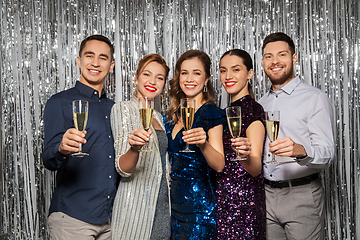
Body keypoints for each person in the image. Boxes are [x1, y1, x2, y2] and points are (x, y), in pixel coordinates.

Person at [258, 32, 334, 239]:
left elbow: (327, 153)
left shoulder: (314, 98)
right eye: (268, 56)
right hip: (265, 194)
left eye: (282, 55)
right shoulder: (260, 103)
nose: (275, 61)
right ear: (262, 61)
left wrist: (301, 151)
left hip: (301, 195)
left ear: (294, 58)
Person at [43, 35, 118, 239]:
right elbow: (48, 160)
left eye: (103, 58)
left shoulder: (115, 109)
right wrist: (61, 147)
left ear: (111, 66)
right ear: (79, 61)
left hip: (111, 220)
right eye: (89, 55)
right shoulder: (59, 102)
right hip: (73, 217)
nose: (95, 62)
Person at [165, 49, 226, 239]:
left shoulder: (210, 113)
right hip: (173, 208)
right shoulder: (173, 115)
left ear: (206, 79)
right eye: (184, 73)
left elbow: (219, 164)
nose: (189, 78)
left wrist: (203, 144)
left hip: (199, 210)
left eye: (196, 73)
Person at [110, 54, 171, 240]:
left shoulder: (159, 118)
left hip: (162, 207)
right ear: (136, 78)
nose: (153, 81)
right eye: (147, 74)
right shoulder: (123, 108)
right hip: (134, 210)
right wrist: (134, 149)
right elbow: (123, 168)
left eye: (159, 78)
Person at [216, 49, 266, 239]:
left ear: (250, 74)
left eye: (235, 70)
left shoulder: (253, 110)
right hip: (222, 201)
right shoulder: (224, 112)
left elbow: (255, 168)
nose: (228, 76)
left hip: (245, 205)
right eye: (223, 70)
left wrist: (244, 155)